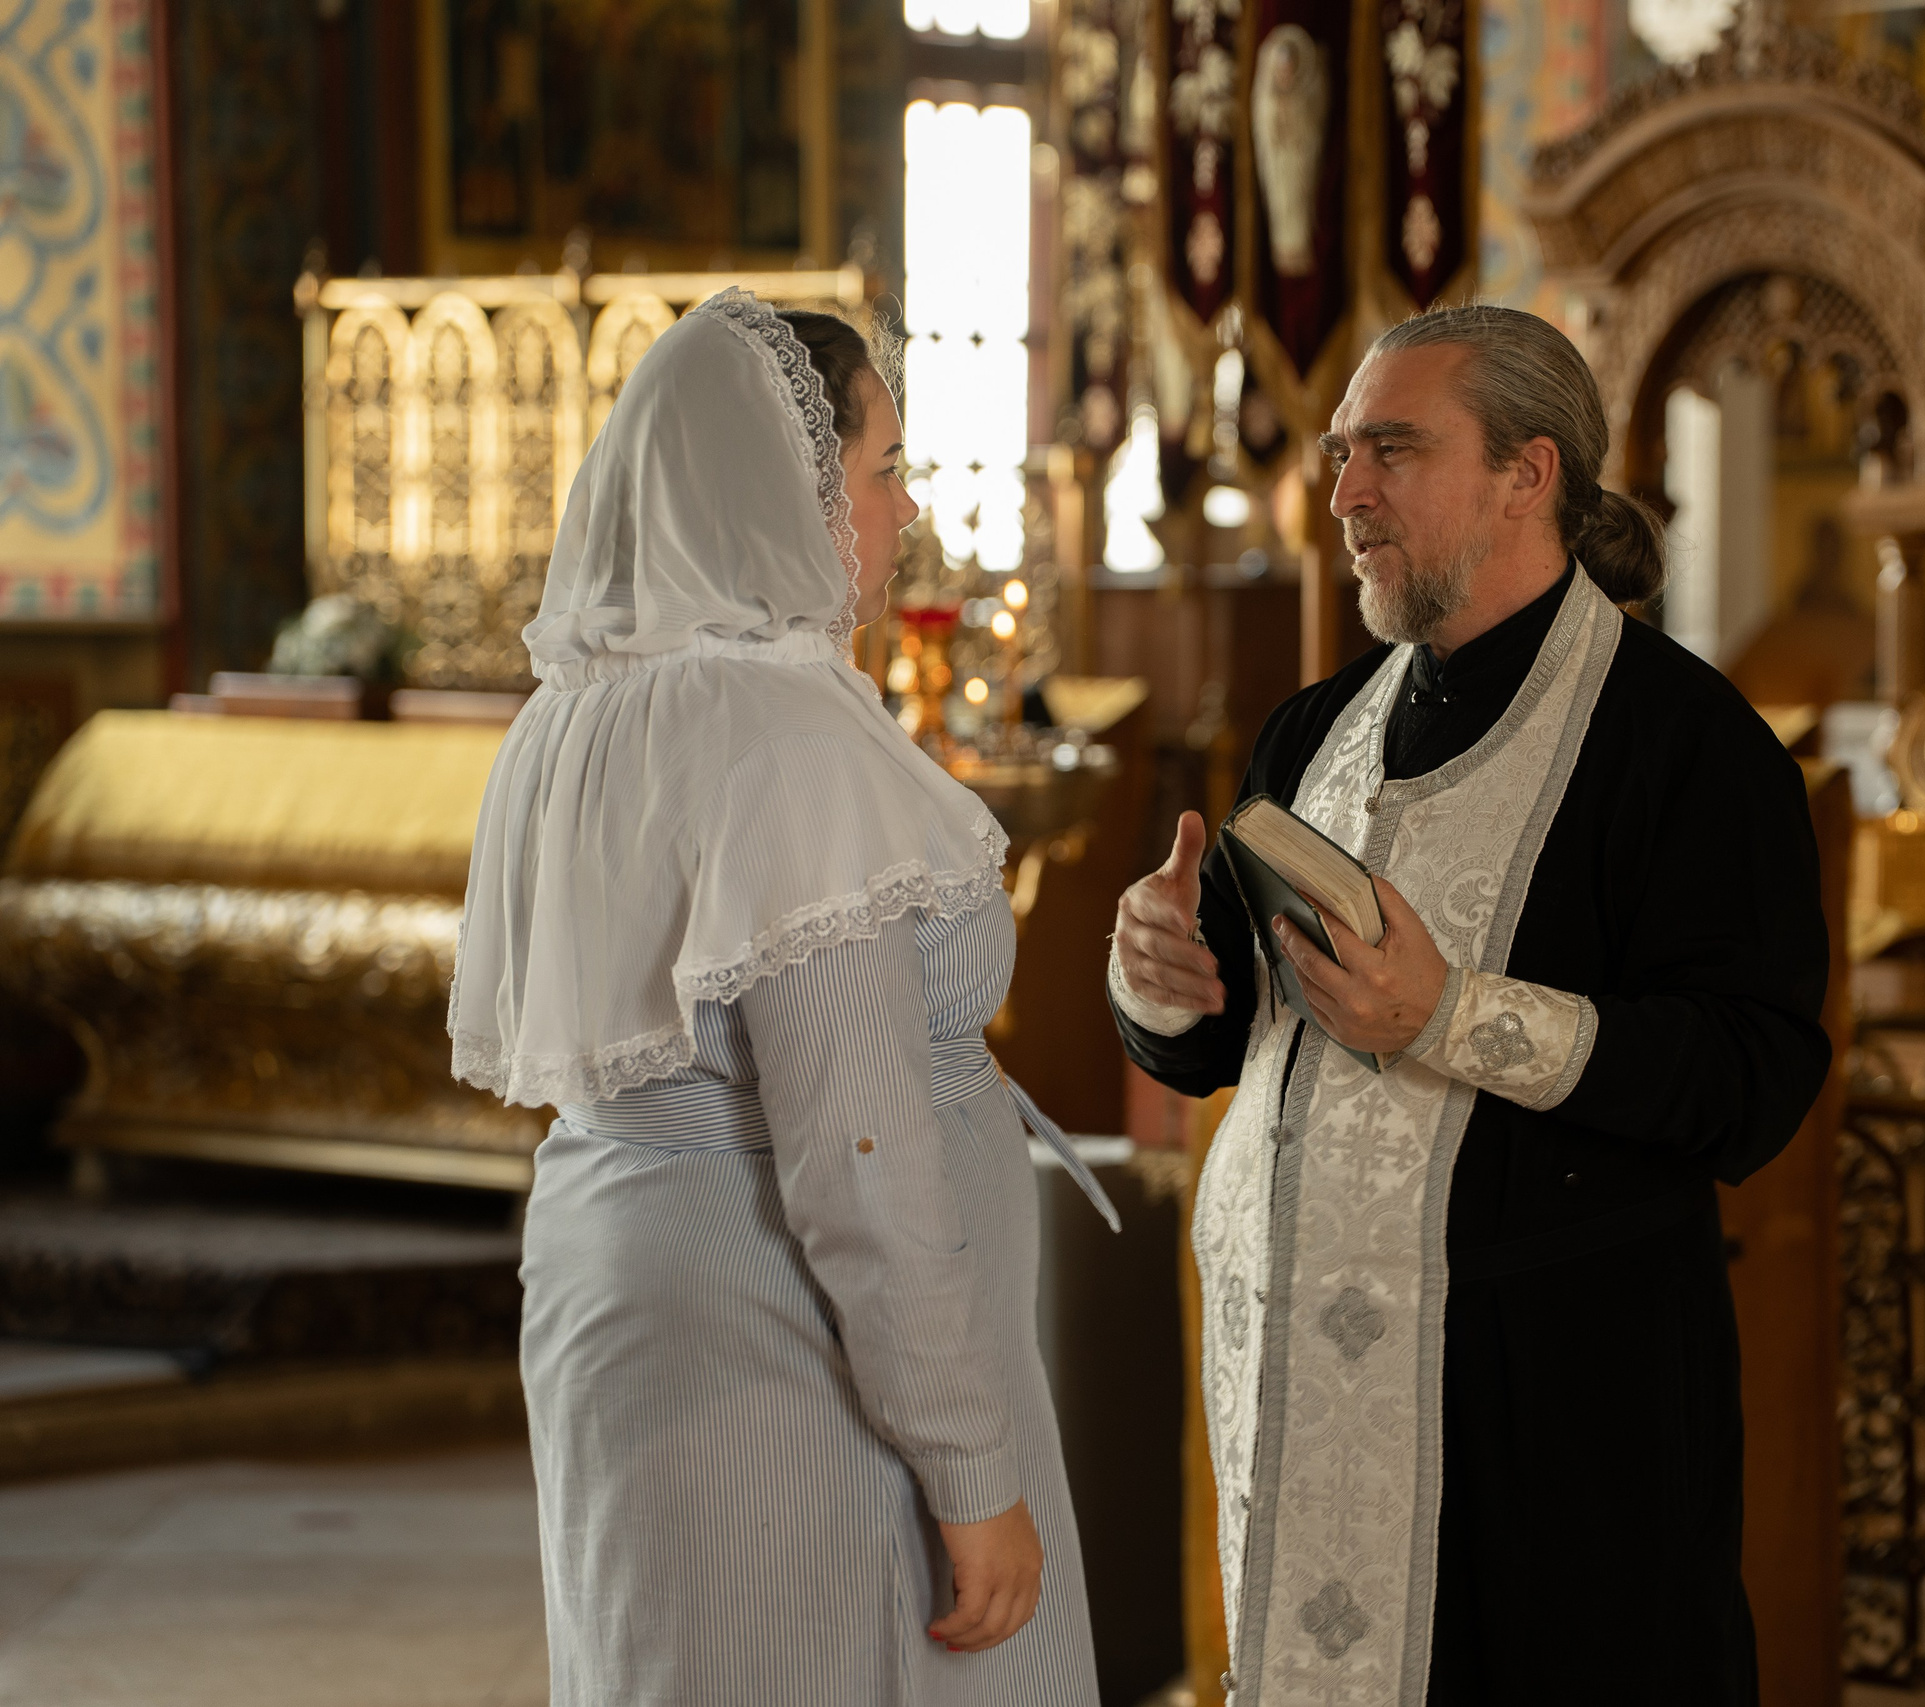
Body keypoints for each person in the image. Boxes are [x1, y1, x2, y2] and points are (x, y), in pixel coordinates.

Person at [1110, 304, 1832, 1706]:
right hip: (1305, 1417)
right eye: (1338, 455)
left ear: (1529, 471)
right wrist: (1154, 980)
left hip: (1557, 1424)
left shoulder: (1689, 748)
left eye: (1392, 448)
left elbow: (1753, 1074)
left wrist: (1450, 1017)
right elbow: (1223, 1034)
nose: (1345, 493)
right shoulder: (1312, 730)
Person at [449, 288, 1112, 1707]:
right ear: (789, 486)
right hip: (783, 1345)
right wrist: (970, 1467)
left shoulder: (581, 711)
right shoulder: (782, 731)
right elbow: (856, 1158)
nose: (905, 514)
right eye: (883, 473)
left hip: (630, 1294)